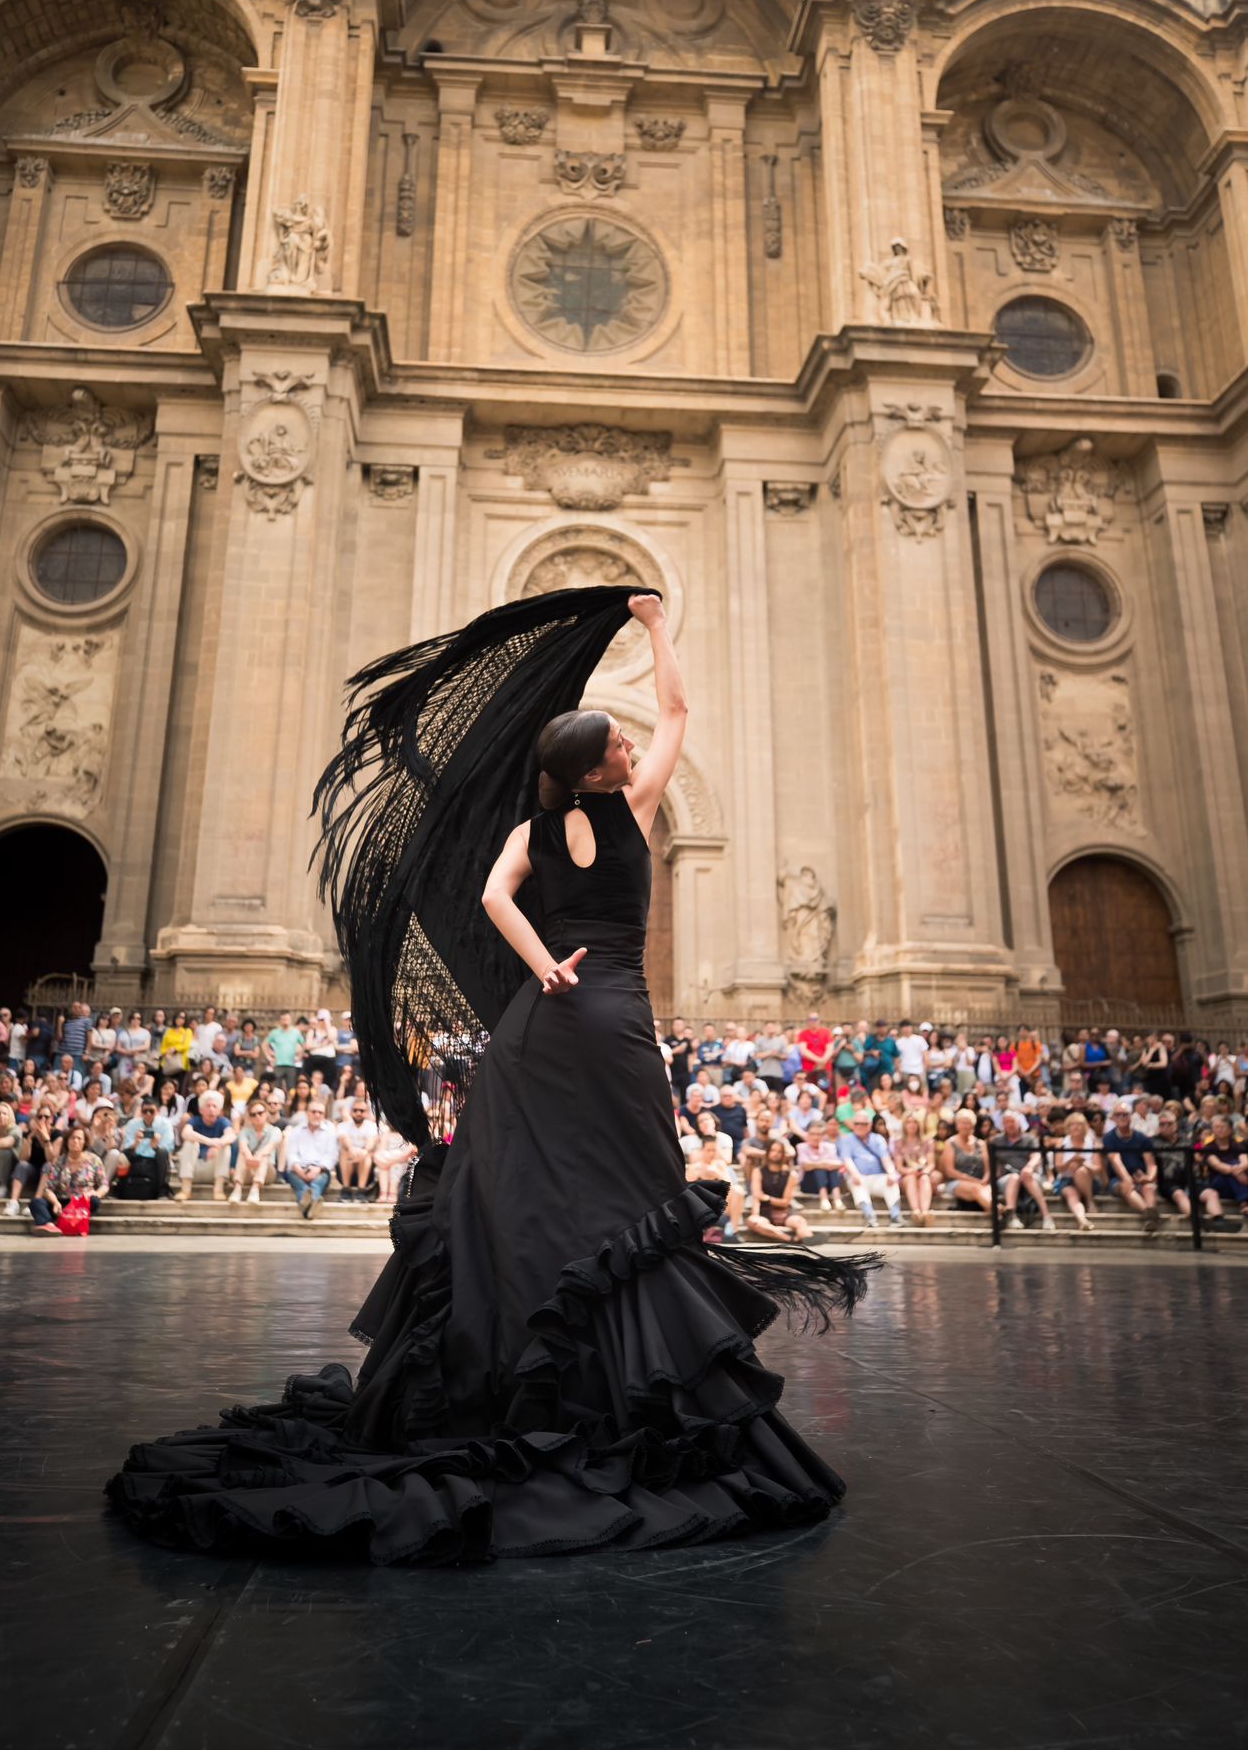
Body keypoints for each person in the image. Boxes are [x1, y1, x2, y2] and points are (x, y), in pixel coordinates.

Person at [110, 586, 874, 1561]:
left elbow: (487, 896)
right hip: (614, 1020)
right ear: (603, 764)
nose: (636, 750)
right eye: (621, 746)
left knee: (510, 1197)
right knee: (628, 1191)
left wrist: (540, 960)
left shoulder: (533, 833)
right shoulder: (636, 816)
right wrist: (654, 631)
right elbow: (677, 711)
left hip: (541, 1022)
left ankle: (494, 1379)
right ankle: (617, 1389)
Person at [30, 1124, 109, 1235]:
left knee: (95, 1201)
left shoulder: (94, 1160)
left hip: (82, 1203)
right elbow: (47, 1189)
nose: (75, 1141)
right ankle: (49, 1225)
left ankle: (74, 1222)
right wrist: (55, 1202)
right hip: (62, 1202)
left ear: (84, 1142)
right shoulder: (59, 1161)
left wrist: (95, 1193)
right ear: (67, 1141)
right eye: (72, 1138)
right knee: (36, 1202)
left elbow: (104, 1185)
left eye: (79, 1138)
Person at [837, 1110, 903, 1229]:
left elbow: (886, 1158)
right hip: (858, 1177)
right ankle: (870, 1216)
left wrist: (891, 1173)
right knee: (856, 1183)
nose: (859, 1126)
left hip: (877, 1177)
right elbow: (846, 1159)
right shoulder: (847, 1139)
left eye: (863, 1124)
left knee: (891, 1181)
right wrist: (855, 1174)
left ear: (869, 1125)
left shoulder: (878, 1139)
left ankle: (896, 1216)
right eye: (856, 1123)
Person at [1103, 1103, 1161, 1233]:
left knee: (1149, 1188)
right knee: (1126, 1187)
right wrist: (1127, 1179)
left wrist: (1149, 1178)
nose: (1122, 1117)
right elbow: (1115, 1160)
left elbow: (1151, 1163)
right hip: (1117, 1178)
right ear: (1113, 1118)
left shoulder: (1142, 1138)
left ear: (1131, 1117)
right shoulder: (1109, 1137)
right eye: (1118, 1114)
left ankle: (1150, 1217)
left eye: (1125, 1114)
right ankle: (1149, 1214)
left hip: (1139, 1175)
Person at [995, 1111, 1056, 1232]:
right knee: (1014, 1177)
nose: (1009, 1124)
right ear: (1003, 1124)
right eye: (1006, 1122)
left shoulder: (1029, 1139)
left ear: (1018, 1123)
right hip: (1007, 1179)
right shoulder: (996, 1141)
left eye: (1012, 1121)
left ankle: (1047, 1216)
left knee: (1026, 1175)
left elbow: (1036, 1156)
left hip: (1029, 1175)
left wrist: (1029, 1167)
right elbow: (994, 1163)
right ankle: (1012, 1217)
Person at [744, 1138, 813, 1244]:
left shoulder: (791, 1175)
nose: (775, 1154)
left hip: (785, 1213)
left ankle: (808, 1238)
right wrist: (755, 1214)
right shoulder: (758, 1171)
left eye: (779, 1151)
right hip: (764, 1212)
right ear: (768, 1152)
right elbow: (757, 1195)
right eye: (773, 1150)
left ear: (783, 1154)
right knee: (753, 1222)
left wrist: (767, 1198)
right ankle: (790, 1239)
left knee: (800, 1222)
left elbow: (785, 1202)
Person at [281, 1097, 339, 1217]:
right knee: (300, 1184)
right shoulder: (296, 1131)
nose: (317, 1115)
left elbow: (332, 1155)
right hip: (298, 1169)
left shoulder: (330, 1132)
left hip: (320, 1170)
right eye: (313, 1112)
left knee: (316, 1183)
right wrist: (299, 1170)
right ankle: (312, 1205)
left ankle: (306, 1203)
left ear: (324, 1115)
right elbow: (291, 1154)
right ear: (307, 1113)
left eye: (320, 1112)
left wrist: (318, 1169)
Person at [939, 1110, 991, 1215]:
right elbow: (949, 1171)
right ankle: (999, 1211)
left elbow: (988, 1169)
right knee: (976, 1189)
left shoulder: (981, 1144)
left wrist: (985, 1180)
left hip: (981, 1182)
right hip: (957, 1182)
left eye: (968, 1123)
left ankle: (996, 1212)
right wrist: (973, 1180)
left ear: (973, 1125)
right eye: (962, 1123)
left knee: (985, 1189)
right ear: (957, 1125)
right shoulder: (950, 1143)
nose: (965, 1126)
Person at [230, 1099, 282, 1205]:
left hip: (267, 1171)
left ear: (266, 1113)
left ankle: (255, 1189)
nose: (257, 1116)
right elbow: (243, 1146)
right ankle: (237, 1189)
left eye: (260, 1113)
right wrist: (249, 1157)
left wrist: (257, 1156)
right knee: (243, 1153)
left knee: (263, 1155)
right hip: (248, 1170)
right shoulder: (245, 1131)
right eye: (253, 1114)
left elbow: (269, 1147)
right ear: (249, 1117)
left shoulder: (275, 1130)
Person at [335, 1100, 379, 1201]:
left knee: (367, 1154)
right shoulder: (343, 1126)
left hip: (365, 1167)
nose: (358, 1113)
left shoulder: (372, 1126)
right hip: (345, 1165)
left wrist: (364, 1152)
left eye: (362, 1110)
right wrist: (351, 1149)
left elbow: (371, 1141)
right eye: (355, 1110)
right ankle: (346, 1190)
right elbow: (343, 1138)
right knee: (344, 1152)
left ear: (367, 1113)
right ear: (351, 1112)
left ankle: (361, 1191)